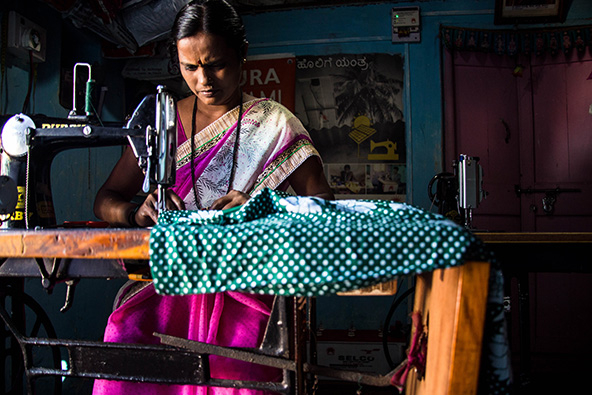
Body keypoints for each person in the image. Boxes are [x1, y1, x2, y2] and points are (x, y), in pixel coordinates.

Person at [92, 1, 334, 393]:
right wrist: (136, 210)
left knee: (242, 376)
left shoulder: (274, 123)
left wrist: (264, 207)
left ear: (242, 55)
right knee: (127, 352)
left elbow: (324, 203)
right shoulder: (161, 126)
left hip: (246, 289)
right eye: (190, 67)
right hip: (168, 288)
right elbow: (106, 198)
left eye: (217, 63)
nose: (204, 79)